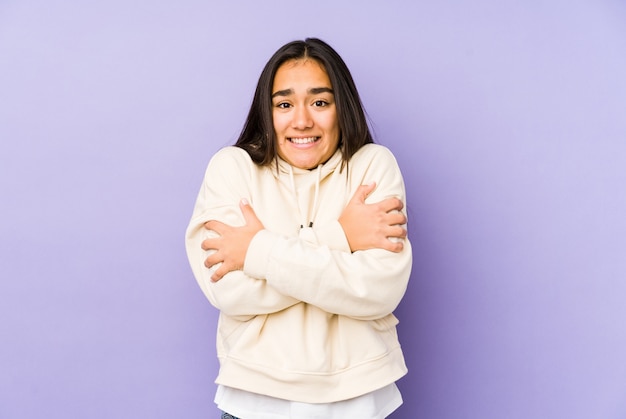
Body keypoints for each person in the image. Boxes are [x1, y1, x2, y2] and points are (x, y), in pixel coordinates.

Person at [185, 37, 412, 419]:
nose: (302, 120)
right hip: (253, 399)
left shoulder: (373, 166)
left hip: (360, 400)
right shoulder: (232, 169)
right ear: (266, 111)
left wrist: (255, 251)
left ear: (343, 108)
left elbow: (379, 290)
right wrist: (341, 236)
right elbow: (229, 290)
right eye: (285, 104)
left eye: (320, 102)